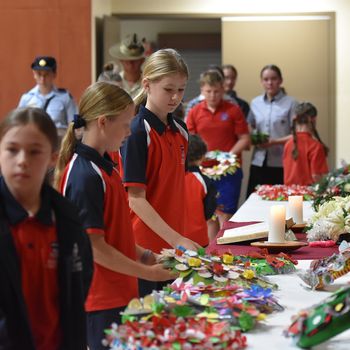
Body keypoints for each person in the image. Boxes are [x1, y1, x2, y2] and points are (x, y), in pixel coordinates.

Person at [54, 82, 174, 350]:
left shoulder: (106, 168)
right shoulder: (84, 176)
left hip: (117, 292)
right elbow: (94, 249)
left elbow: (113, 236)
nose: (130, 132)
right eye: (125, 124)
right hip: (99, 297)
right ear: (104, 122)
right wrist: (147, 273)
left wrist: (145, 254)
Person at [0, 107, 93, 350]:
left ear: (52, 157)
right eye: (12, 150)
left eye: (34, 152)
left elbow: (80, 281)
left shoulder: (67, 218)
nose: (22, 160)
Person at [119, 49, 200, 296]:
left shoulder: (181, 130)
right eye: (168, 89)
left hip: (173, 246)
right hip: (145, 249)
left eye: (181, 89)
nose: (175, 97)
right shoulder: (137, 131)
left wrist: (178, 239)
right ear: (147, 84)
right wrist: (176, 238)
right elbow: (135, 199)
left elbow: (172, 191)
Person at [186, 69, 250, 234]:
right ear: (202, 90)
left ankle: (228, 251)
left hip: (229, 171)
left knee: (227, 215)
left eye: (216, 91)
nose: (213, 95)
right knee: (209, 215)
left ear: (223, 89)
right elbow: (190, 141)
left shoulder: (233, 110)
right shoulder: (195, 112)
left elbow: (244, 138)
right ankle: (212, 255)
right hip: (204, 170)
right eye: (208, 91)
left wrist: (228, 156)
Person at [246, 64, 298, 197]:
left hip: (281, 162)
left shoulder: (291, 103)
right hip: (258, 161)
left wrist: (274, 142)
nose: (270, 82)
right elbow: (249, 126)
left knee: (278, 201)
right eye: (266, 79)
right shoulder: (255, 103)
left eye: (273, 78)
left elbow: (297, 134)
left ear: (280, 80)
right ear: (261, 81)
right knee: (255, 200)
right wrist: (252, 137)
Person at [18, 56, 77, 138]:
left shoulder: (65, 97)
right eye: (39, 74)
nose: (42, 79)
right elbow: (19, 125)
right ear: (34, 74)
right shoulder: (27, 98)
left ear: (54, 74)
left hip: (58, 143)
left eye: (46, 74)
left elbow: (74, 127)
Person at [283, 102, 328, 185]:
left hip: (289, 194)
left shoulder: (288, 144)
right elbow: (316, 176)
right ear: (314, 119)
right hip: (309, 195)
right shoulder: (315, 146)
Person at [184, 134, 217, 245]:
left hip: (171, 237)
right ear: (203, 157)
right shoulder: (205, 181)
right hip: (197, 238)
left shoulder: (170, 178)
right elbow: (208, 213)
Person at [109, 34, 145, 98]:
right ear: (121, 60)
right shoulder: (112, 83)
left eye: (135, 60)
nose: (130, 63)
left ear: (142, 60)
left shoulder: (148, 84)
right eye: (126, 60)